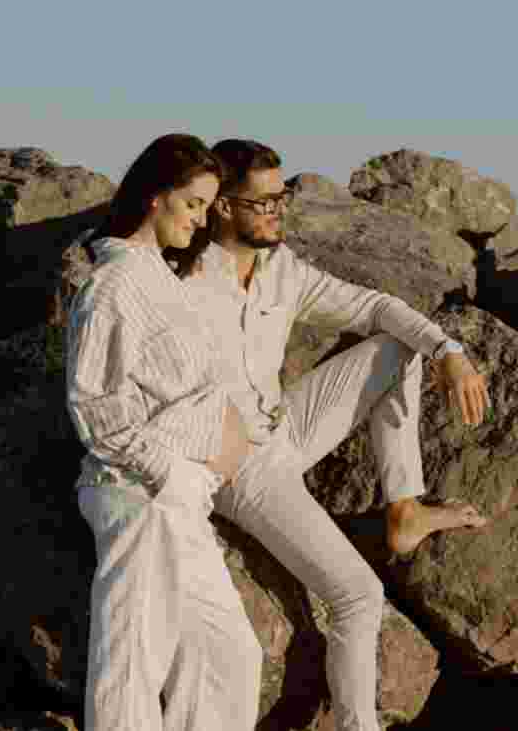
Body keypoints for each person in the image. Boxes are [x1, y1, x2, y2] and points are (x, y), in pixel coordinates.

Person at [173, 138, 491, 731]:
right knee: (357, 596)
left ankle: (405, 509)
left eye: (282, 198)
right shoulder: (183, 281)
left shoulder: (280, 269)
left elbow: (375, 307)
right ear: (223, 206)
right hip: (241, 466)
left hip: (285, 425)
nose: (279, 212)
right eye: (264, 203)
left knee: (399, 347)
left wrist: (449, 350)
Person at [66, 134, 262, 731]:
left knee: (230, 657)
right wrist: (171, 473)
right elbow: (95, 406)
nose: (202, 219)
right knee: (130, 662)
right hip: (142, 494)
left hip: (181, 499)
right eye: (194, 204)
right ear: (156, 197)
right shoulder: (113, 284)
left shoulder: (158, 275)